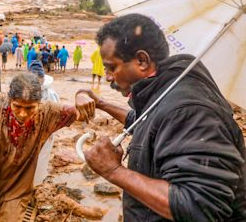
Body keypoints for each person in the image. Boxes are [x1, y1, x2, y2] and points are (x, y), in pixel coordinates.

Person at [79, 13, 246, 221]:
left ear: (141, 60)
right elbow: (143, 121)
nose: (108, 77)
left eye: (112, 67)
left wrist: (113, 171)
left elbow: (199, 206)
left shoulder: (188, 111)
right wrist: (102, 104)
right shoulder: (166, 93)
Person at [0, 51, 95, 222]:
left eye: (30, 108)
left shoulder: (49, 112)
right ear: (9, 99)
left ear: (39, 104)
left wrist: (81, 95)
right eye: (17, 106)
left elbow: (81, 113)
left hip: (19, 181)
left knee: (10, 216)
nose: (23, 114)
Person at [28, 60, 59, 185]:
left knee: (40, 161)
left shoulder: (51, 95)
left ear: (42, 78)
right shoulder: (24, 91)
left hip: (45, 134)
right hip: (28, 134)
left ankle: (36, 185)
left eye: (38, 79)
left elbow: (57, 116)